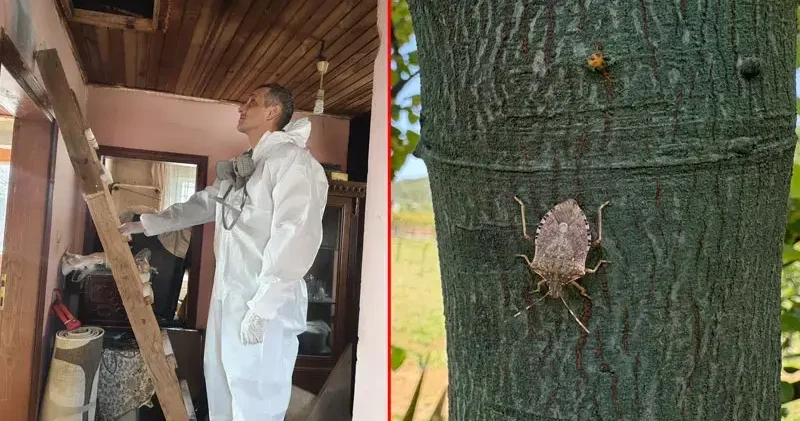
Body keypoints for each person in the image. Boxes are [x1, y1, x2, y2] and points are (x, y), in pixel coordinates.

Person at [119, 83, 329, 421]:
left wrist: (263, 307)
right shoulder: (245, 166)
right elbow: (203, 204)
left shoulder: (293, 163)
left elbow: (297, 235)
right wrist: (147, 224)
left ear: (273, 112)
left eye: (252, 101)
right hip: (229, 297)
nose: (241, 107)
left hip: (264, 302)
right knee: (221, 387)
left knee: (256, 396)